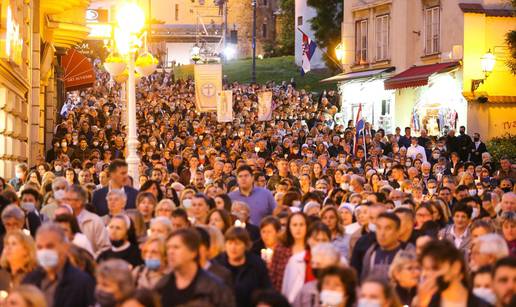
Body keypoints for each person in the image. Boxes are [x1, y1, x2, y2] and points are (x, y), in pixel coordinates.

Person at [155, 228, 236, 306]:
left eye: (176, 247)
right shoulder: (162, 286)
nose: (170, 252)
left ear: (193, 252)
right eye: (168, 248)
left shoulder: (214, 288)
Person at [22, 223, 95, 307]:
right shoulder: (30, 280)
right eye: (39, 247)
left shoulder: (82, 282)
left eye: (50, 246)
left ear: (65, 247)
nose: (44, 252)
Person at [416, 239, 491, 307]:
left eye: (435, 268)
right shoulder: (427, 302)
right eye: (425, 269)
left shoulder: (481, 305)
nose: (426, 274)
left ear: (455, 267)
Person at [215, 226, 271, 307]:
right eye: (230, 243)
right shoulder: (217, 264)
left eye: (237, 243)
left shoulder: (257, 264)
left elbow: (266, 289)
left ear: (246, 245)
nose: (233, 248)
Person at [361, 212, 411, 281]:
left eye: (388, 228)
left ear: (398, 231)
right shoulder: (371, 253)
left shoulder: (408, 254)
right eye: (378, 228)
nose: (382, 233)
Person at [62, 185, 110, 254]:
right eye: (64, 199)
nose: (64, 203)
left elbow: (105, 247)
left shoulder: (94, 221)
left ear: (79, 202)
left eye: (68, 200)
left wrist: (90, 260)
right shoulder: (61, 219)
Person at [293, 243, 341, 307]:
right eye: (313, 263)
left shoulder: (347, 289)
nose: (314, 267)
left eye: (319, 264)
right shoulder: (306, 289)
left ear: (333, 264)